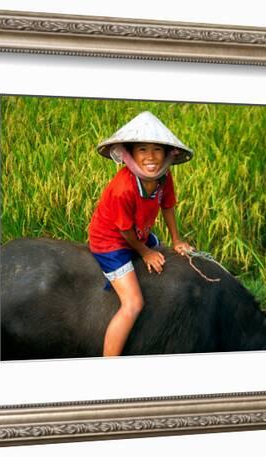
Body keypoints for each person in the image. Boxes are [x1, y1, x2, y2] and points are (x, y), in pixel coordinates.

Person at [88, 111, 194, 357]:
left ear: (168, 154)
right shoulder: (123, 188)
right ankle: (108, 364)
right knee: (133, 304)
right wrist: (145, 252)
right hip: (111, 241)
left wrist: (177, 240)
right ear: (131, 154)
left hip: (139, 232)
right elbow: (124, 230)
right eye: (142, 150)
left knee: (163, 249)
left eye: (157, 150)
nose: (150, 157)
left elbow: (167, 206)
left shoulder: (163, 178)